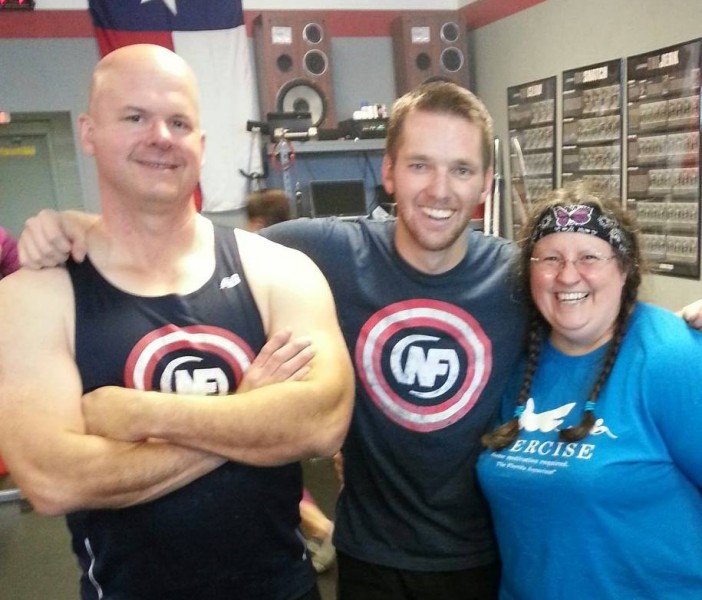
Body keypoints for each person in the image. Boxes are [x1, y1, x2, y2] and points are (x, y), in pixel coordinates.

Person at [17, 81, 702, 600]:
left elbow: (596, 297)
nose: (440, 190)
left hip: (484, 557)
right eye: (421, 165)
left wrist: (688, 321)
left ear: (485, 184)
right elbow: (188, 245)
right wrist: (85, 228)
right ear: (389, 171)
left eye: (462, 170)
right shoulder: (322, 251)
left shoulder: (517, 274)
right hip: (369, 555)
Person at [0, 43, 354, 600]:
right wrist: (248, 408)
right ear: (90, 133)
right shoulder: (35, 295)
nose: (161, 136)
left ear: (202, 145)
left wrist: (139, 414)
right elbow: (52, 479)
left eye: (179, 122)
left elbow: (323, 421)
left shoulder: (278, 270)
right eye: (134, 117)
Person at [477, 187, 702, 599]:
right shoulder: (515, 357)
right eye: (550, 258)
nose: (567, 275)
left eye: (589, 257)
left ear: (624, 268)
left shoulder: (672, 356)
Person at [245, 187, 338, 574]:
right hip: (307, 376)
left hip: (292, 379)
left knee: (259, 462)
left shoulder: (270, 264)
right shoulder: (305, 258)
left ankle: (320, 528)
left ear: (259, 224)